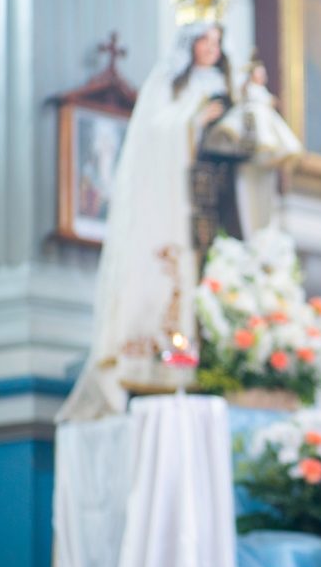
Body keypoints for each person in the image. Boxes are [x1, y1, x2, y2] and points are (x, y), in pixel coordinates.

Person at [57, 21, 232, 421]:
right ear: (190, 44)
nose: (212, 48)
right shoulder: (167, 82)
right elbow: (156, 131)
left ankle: (194, 359)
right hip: (169, 196)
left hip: (206, 199)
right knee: (164, 270)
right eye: (205, 40)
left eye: (217, 42)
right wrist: (196, 120)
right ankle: (152, 359)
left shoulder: (223, 86)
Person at [199, 53, 303, 237]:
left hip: (260, 154)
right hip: (249, 137)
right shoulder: (249, 95)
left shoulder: (261, 95)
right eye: (259, 73)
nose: (262, 77)